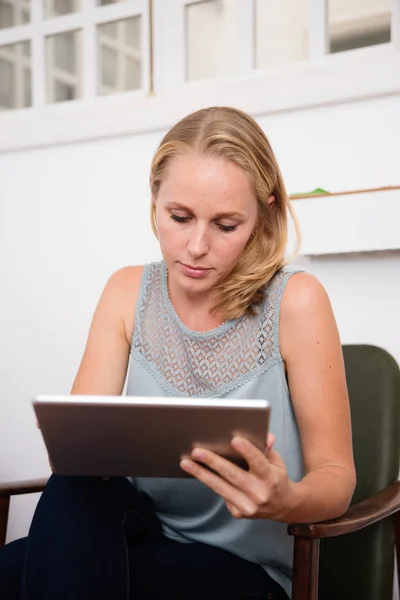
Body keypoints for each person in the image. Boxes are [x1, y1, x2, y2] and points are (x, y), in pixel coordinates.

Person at [0, 106, 356, 599]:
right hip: (140, 537)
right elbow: (80, 455)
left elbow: (337, 478)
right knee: (72, 486)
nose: (195, 246)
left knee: (21, 572)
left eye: (226, 225)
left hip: (246, 572)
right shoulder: (127, 292)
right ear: (154, 197)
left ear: (263, 213)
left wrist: (286, 499)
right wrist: (75, 439)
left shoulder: (296, 301)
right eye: (179, 217)